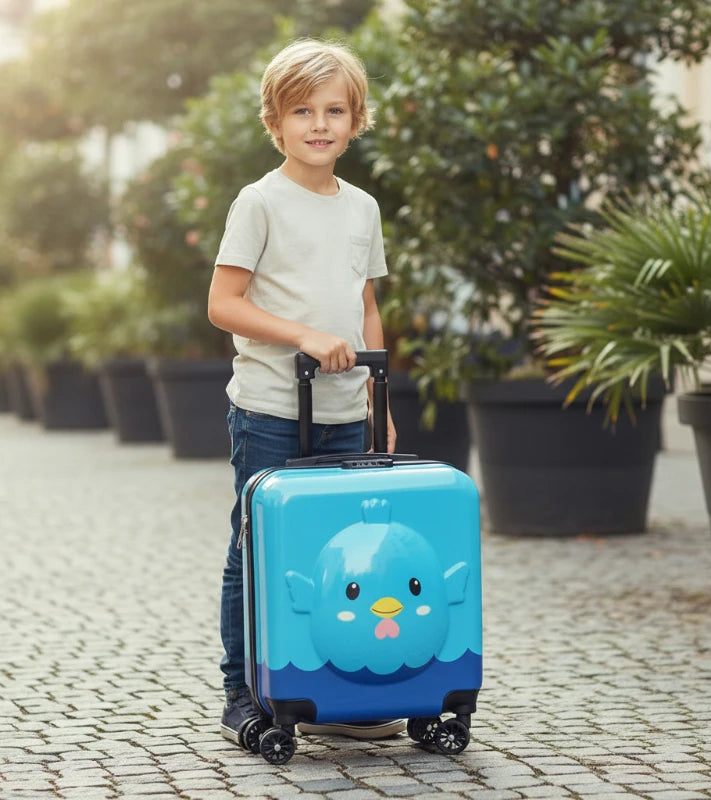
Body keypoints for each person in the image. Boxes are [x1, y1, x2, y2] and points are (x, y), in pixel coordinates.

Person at [207, 38, 402, 747]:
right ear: (276, 120)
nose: (319, 125)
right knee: (256, 547)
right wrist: (303, 336)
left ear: (355, 120)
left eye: (334, 110)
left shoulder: (363, 208)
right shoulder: (259, 203)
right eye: (302, 111)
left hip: (349, 410)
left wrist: (381, 408)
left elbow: (366, 308)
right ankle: (243, 693)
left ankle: (333, 692)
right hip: (270, 411)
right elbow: (222, 303)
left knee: (345, 553)